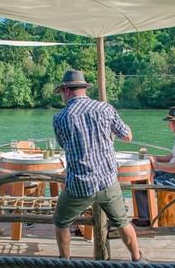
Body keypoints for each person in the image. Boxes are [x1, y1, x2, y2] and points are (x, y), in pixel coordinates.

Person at [52, 70, 149, 263]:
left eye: (62, 93)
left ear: (67, 91)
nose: (62, 97)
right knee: (122, 222)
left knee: (61, 222)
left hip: (79, 186)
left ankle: (65, 260)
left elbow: (65, 145)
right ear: (83, 89)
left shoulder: (60, 118)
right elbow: (127, 136)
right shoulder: (105, 109)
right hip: (107, 182)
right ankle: (138, 259)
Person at [131, 106, 175, 227]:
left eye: (170, 122)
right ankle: (145, 215)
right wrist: (152, 157)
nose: (168, 125)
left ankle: (147, 219)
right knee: (139, 179)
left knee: (142, 185)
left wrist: (158, 166)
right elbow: (171, 157)